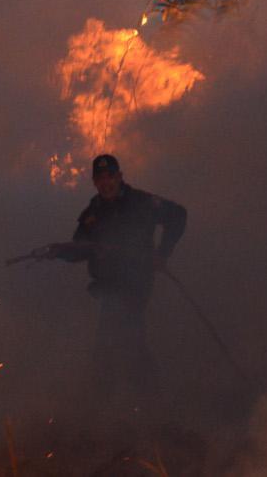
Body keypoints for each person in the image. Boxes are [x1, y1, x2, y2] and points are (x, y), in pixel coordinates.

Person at [54, 154, 187, 410]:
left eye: (110, 177)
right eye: (100, 179)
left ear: (120, 177)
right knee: (120, 340)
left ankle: (139, 405)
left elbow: (178, 215)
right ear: (94, 182)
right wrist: (57, 252)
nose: (106, 183)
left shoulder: (142, 202)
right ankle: (125, 405)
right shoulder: (93, 213)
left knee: (122, 338)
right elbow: (79, 248)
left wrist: (163, 253)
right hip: (108, 287)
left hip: (136, 282)